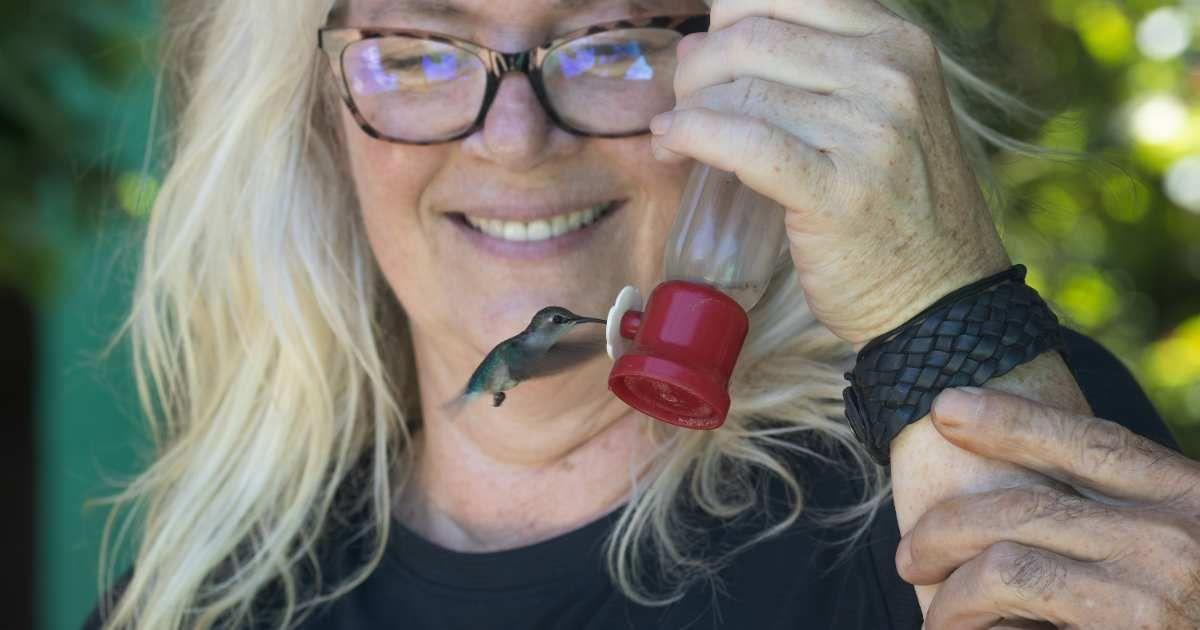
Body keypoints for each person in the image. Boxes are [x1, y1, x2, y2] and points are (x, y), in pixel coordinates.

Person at [86, 0, 1200, 628]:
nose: (516, 140)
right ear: (317, 122)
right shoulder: (203, 599)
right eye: (418, 53)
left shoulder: (948, 445)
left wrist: (944, 318)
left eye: (612, 42)